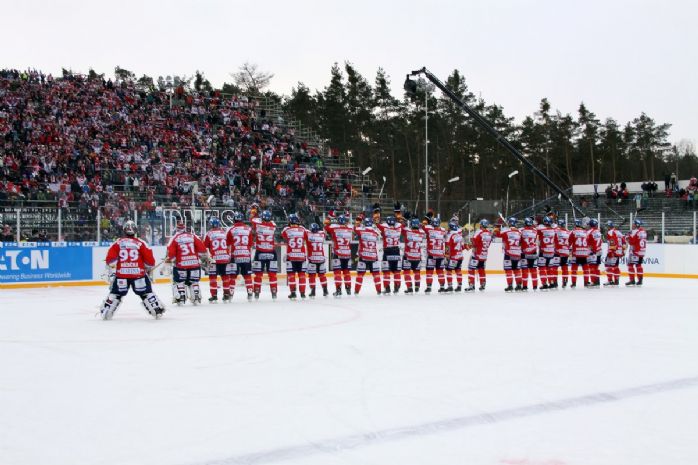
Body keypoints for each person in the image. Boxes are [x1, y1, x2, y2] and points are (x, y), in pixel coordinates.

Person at [100, 220, 165, 320]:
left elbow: (110, 261)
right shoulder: (141, 243)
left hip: (122, 275)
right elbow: (150, 262)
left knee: (115, 294)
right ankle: (156, 309)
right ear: (135, 230)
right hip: (138, 275)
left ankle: (106, 310)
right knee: (146, 293)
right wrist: (146, 268)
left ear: (124, 230)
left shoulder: (117, 243)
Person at [165, 221, 207, 305]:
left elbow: (171, 253)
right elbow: (202, 249)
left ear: (176, 229)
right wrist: (199, 257)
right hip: (194, 264)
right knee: (194, 281)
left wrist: (170, 259)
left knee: (179, 282)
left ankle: (180, 297)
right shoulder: (193, 236)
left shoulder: (174, 238)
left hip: (181, 265)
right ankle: (196, 296)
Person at [204, 217, 234, 303]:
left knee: (213, 278)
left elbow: (205, 247)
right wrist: (228, 255)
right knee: (225, 277)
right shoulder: (224, 233)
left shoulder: (209, 234)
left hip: (214, 259)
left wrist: (207, 258)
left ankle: (214, 296)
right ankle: (226, 295)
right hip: (225, 258)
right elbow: (229, 245)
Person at [227, 212, 255, 301]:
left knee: (232, 277)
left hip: (235, 256)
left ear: (234, 219)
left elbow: (228, 244)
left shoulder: (231, 229)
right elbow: (250, 244)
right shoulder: (248, 229)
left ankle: (230, 295)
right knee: (247, 276)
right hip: (246, 255)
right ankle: (250, 293)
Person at [251, 210, 278, 299]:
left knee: (258, 274)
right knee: (272, 274)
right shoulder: (273, 225)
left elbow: (253, 219)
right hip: (271, 251)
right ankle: (274, 292)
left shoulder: (258, 224)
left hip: (260, 251)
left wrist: (255, 212)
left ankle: (257, 292)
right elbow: (270, 222)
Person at [325, 214, 354, 296]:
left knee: (337, 273)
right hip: (347, 253)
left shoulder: (334, 228)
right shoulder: (350, 228)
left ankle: (338, 290)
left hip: (338, 253)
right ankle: (348, 289)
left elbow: (326, 226)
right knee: (346, 272)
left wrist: (328, 217)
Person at [282, 214, 308, 299]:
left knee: (291, 275)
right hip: (301, 256)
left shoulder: (286, 229)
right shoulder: (303, 229)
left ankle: (293, 293)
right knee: (302, 275)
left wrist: (289, 226)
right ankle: (303, 293)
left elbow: (283, 235)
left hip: (291, 256)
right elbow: (306, 237)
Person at [353, 217, 382, 295]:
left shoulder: (361, 230)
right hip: (373, 256)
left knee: (360, 275)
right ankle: (379, 291)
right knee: (376, 274)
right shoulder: (376, 231)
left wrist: (358, 221)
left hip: (363, 256)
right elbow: (381, 234)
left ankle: (356, 291)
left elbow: (354, 228)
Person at [377, 215, 403, 294]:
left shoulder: (384, 228)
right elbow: (402, 223)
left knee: (386, 271)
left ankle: (387, 288)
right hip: (396, 250)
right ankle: (397, 287)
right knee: (396, 271)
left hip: (387, 250)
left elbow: (377, 224)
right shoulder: (399, 227)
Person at [496, 217, 523, 292]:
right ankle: (519, 285)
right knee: (517, 270)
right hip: (517, 253)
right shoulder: (519, 232)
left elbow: (497, 234)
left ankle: (510, 285)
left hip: (508, 253)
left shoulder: (506, 231)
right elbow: (521, 241)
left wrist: (498, 226)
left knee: (508, 270)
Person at [465, 219, 492, 291]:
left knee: (471, 269)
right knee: (481, 269)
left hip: (476, 255)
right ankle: (483, 284)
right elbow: (488, 244)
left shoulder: (479, 232)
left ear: (482, 225)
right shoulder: (489, 233)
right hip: (484, 255)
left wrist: (467, 246)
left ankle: (471, 285)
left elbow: (474, 242)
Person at [402, 218, 426, 294]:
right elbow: (423, 228)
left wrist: (404, 222)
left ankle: (409, 287)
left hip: (408, 256)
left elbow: (401, 229)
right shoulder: (422, 233)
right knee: (417, 272)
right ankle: (417, 287)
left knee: (406, 272)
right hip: (417, 256)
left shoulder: (407, 231)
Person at [424, 217, 447, 293]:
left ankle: (429, 287)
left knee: (429, 272)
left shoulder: (429, 229)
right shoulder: (443, 230)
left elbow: (423, 226)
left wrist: (427, 219)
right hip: (440, 254)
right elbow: (446, 239)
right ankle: (442, 287)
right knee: (440, 272)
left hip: (431, 254)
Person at [306, 223, 329, 297]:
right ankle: (325, 290)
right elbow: (324, 231)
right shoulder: (322, 234)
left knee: (312, 276)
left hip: (312, 259)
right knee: (322, 275)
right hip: (321, 258)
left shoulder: (308, 234)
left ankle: (313, 292)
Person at [537, 216, 558, 290]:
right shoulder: (554, 229)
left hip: (543, 251)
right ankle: (551, 283)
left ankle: (544, 284)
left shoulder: (541, 229)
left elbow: (536, 230)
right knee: (550, 268)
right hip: (551, 251)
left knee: (542, 268)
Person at [569, 219, 591, 288]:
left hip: (576, 253)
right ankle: (586, 282)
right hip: (584, 252)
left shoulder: (573, 232)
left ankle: (574, 283)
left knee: (574, 269)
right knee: (586, 268)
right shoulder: (585, 232)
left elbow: (569, 242)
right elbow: (589, 242)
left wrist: (569, 251)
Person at [444, 219, 465, 292]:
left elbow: (447, 247)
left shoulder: (450, 236)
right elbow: (462, 246)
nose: (448, 228)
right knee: (458, 270)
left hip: (453, 257)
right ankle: (459, 286)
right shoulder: (459, 235)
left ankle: (450, 286)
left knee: (449, 271)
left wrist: (446, 257)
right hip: (460, 256)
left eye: (449, 227)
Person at [520, 217, 540, 291]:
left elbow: (518, 240)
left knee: (525, 269)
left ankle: (524, 286)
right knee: (533, 269)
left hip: (524, 252)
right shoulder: (535, 230)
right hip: (533, 251)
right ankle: (535, 286)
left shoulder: (521, 230)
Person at [604, 221, 625, 287]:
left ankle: (610, 280)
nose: (606, 228)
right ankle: (616, 281)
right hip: (618, 252)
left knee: (608, 266)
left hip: (613, 251)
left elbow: (612, 242)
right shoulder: (619, 232)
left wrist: (611, 251)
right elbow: (624, 243)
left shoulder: (610, 232)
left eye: (607, 226)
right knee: (616, 267)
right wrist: (622, 251)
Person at [626, 219, 647, 286]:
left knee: (630, 265)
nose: (632, 225)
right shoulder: (643, 231)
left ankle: (632, 280)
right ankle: (640, 280)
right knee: (639, 265)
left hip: (635, 251)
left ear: (636, 225)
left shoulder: (635, 232)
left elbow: (631, 242)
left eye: (633, 224)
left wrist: (628, 236)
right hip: (642, 251)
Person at [555, 219, 572, 288]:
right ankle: (565, 281)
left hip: (557, 251)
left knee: (554, 267)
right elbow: (570, 243)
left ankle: (554, 282)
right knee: (564, 267)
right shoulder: (568, 232)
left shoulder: (555, 231)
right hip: (565, 251)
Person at [586, 218, 602, 287]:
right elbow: (599, 241)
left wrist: (592, 250)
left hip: (593, 251)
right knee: (596, 267)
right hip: (599, 251)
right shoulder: (598, 231)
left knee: (592, 267)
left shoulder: (590, 232)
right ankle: (597, 281)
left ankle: (593, 281)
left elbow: (587, 241)